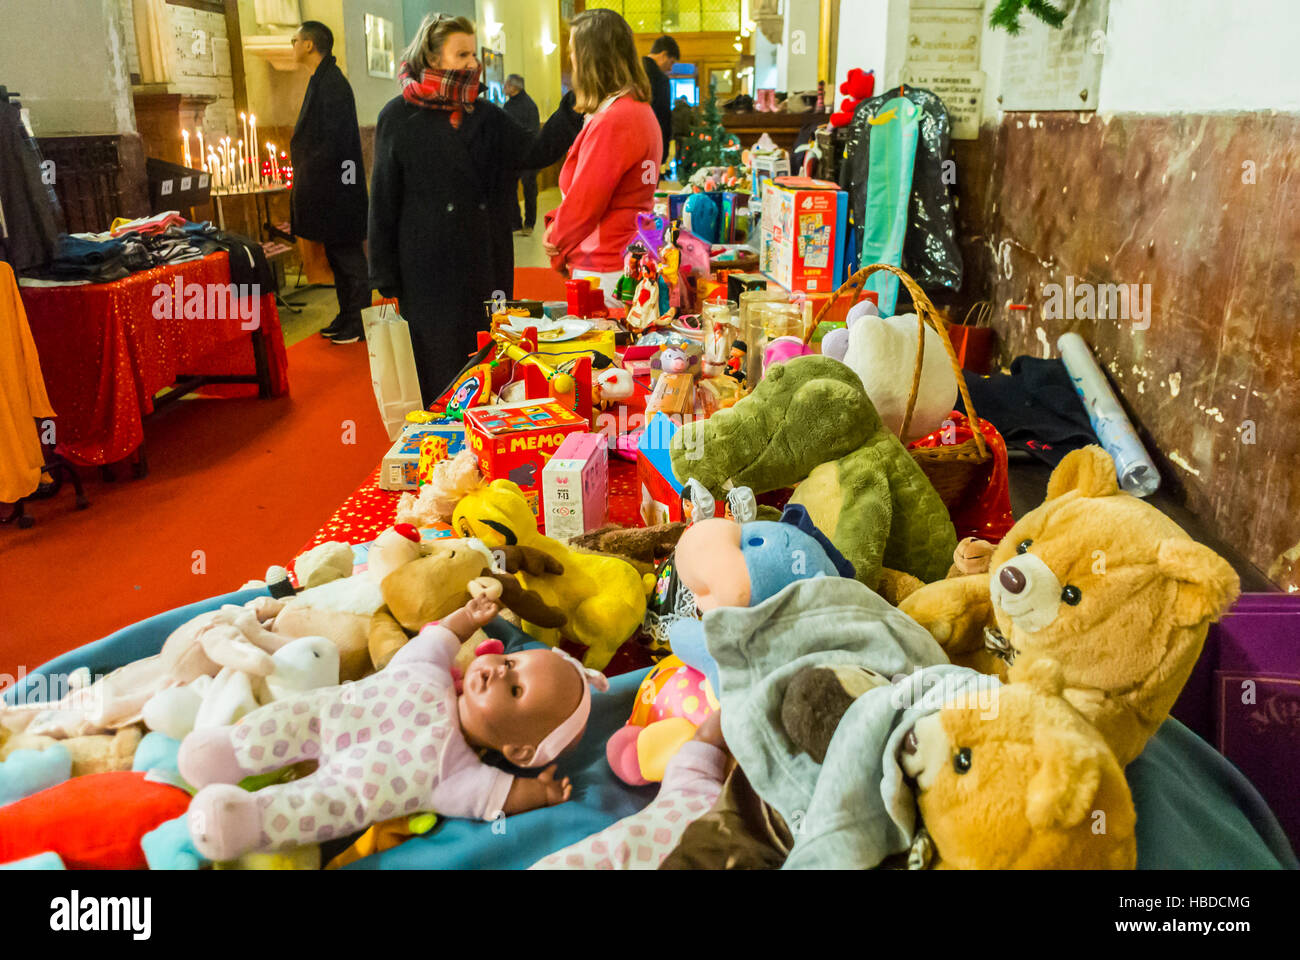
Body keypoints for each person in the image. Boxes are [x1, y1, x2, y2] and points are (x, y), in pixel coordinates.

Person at [368, 14, 583, 406]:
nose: (472, 62)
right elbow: (384, 197)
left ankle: (485, 441)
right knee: (437, 362)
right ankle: (442, 446)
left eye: (473, 52)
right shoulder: (398, 117)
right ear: (433, 58)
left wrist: (572, 107)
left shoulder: (484, 114)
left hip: (484, 260)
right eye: (462, 53)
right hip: (427, 268)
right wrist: (383, 275)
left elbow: (533, 151)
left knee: (483, 358)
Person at [543, 9, 662, 309]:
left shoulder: (616, 118)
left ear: (590, 58)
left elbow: (586, 201)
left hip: (606, 265)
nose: (571, 61)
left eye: (573, 52)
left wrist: (556, 236)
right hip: (621, 258)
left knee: (598, 354)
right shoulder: (635, 108)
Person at [288, 21, 370, 345]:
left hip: (338, 190)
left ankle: (359, 321)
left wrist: (309, 168)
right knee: (338, 256)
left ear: (309, 45)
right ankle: (347, 314)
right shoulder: (322, 79)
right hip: (331, 188)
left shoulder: (332, 84)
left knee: (349, 258)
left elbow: (336, 143)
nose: (292, 45)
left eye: (294, 40)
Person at [502, 74, 540, 236]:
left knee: (529, 189)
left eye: (506, 85)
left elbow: (532, 132)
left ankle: (529, 223)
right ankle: (515, 223)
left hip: (528, 155)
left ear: (513, 87)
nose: (504, 87)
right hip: (513, 155)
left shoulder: (529, 106)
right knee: (510, 188)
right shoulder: (508, 106)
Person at [643, 34, 679, 166]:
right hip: (651, 147)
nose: (670, 68)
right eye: (672, 62)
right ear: (664, 55)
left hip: (629, 144)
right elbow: (663, 116)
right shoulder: (660, 79)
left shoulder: (631, 71)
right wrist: (662, 154)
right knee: (650, 184)